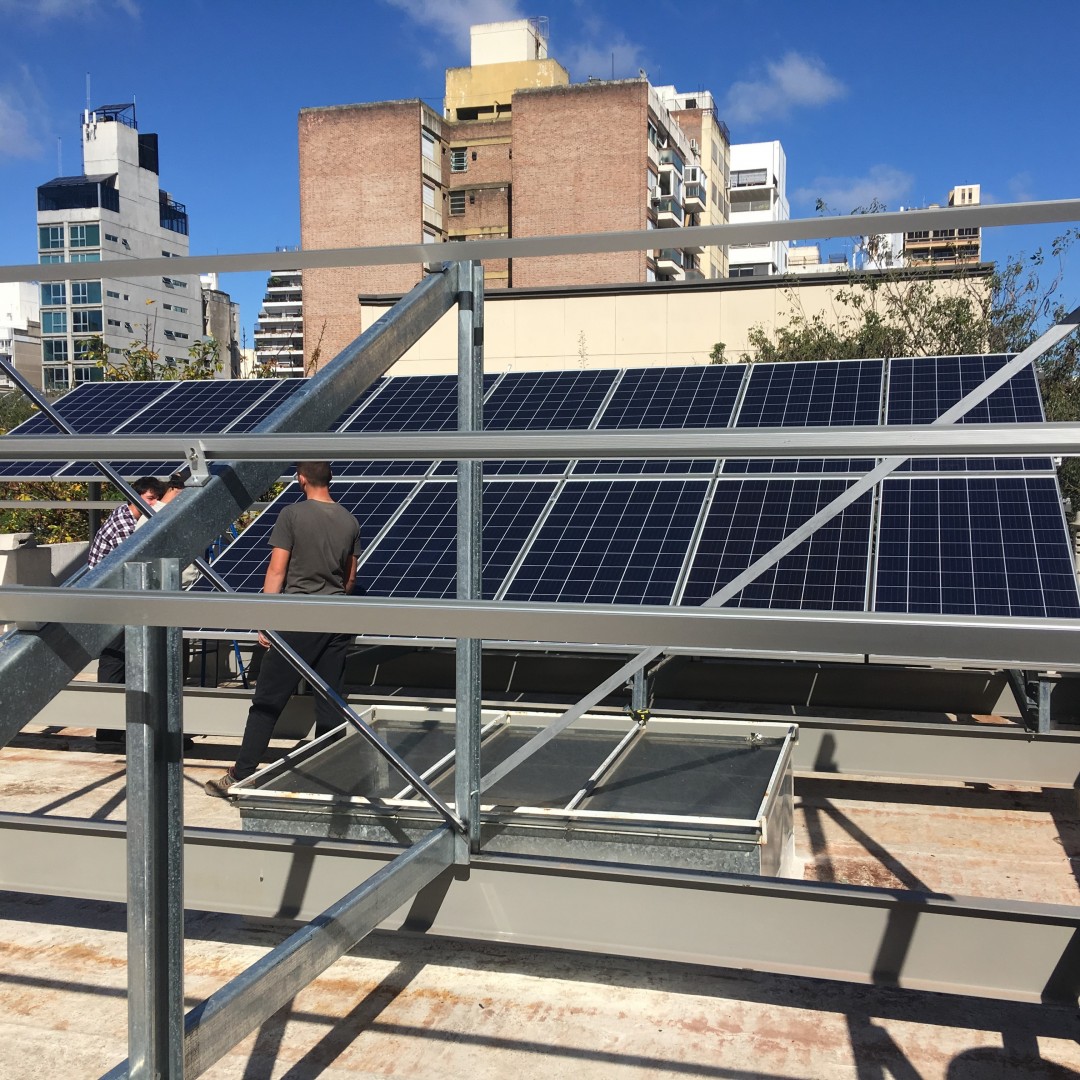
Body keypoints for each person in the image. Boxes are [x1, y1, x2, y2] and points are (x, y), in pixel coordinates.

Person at [205, 461, 360, 797]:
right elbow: (350, 578)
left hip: (295, 619)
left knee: (268, 701)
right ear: (328, 479)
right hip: (336, 619)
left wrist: (266, 618)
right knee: (330, 701)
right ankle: (327, 775)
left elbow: (276, 570)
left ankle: (240, 775)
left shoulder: (292, 514)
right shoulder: (349, 520)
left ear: (301, 479)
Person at [87, 475, 166, 745]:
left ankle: (117, 727)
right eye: (150, 499)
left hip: (118, 597)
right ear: (135, 498)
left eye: (157, 499)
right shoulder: (125, 523)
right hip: (111, 599)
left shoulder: (130, 517)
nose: (154, 505)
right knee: (114, 658)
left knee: (126, 658)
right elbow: (137, 556)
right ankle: (108, 730)